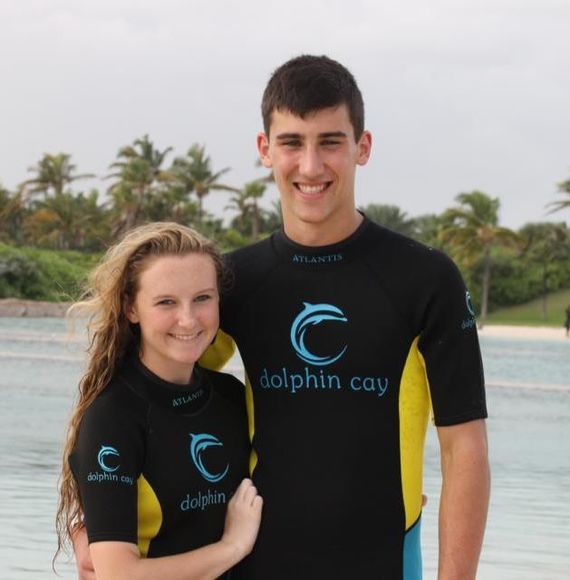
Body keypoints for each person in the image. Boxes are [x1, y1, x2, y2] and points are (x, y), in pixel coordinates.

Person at [74, 55, 490, 579]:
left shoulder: (425, 279)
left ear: (362, 147)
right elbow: (138, 398)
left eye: (330, 142)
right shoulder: (232, 283)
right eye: (292, 142)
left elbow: (464, 448)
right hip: (254, 563)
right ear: (265, 149)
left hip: (384, 561)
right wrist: (92, 520)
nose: (310, 166)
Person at [56, 222, 263, 579]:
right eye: (166, 302)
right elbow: (117, 574)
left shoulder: (231, 396)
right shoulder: (114, 417)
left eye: (202, 298)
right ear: (131, 308)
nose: (188, 319)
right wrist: (232, 546)